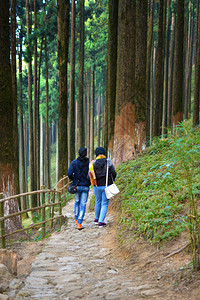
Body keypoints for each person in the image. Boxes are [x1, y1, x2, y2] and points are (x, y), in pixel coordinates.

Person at [89, 147, 117, 228]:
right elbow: (114, 173)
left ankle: (96, 219)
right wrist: (112, 180)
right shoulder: (108, 162)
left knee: (98, 201)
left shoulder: (93, 163)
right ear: (104, 153)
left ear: (96, 154)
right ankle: (101, 222)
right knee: (104, 203)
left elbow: (89, 175)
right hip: (106, 185)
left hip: (96, 186)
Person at [67, 147, 90, 230]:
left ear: (79, 154)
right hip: (85, 186)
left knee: (77, 202)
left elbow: (69, 173)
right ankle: (79, 223)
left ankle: (76, 219)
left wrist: (74, 179)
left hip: (76, 186)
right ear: (86, 154)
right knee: (83, 204)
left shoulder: (74, 163)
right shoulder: (89, 163)